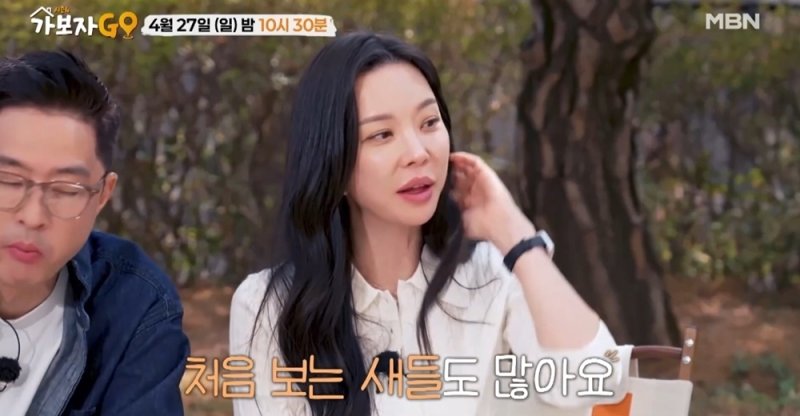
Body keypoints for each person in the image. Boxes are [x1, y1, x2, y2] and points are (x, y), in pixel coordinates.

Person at [230, 32, 632, 416]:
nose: (417, 152)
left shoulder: (489, 276)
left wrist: (516, 236)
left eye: (428, 123)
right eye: (382, 134)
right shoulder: (270, 306)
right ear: (333, 160)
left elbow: (596, 384)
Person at [0, 50, 189, 415]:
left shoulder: (134, 304)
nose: (33, 216)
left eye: (66, 189)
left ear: (102, 195)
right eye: (8, 180)